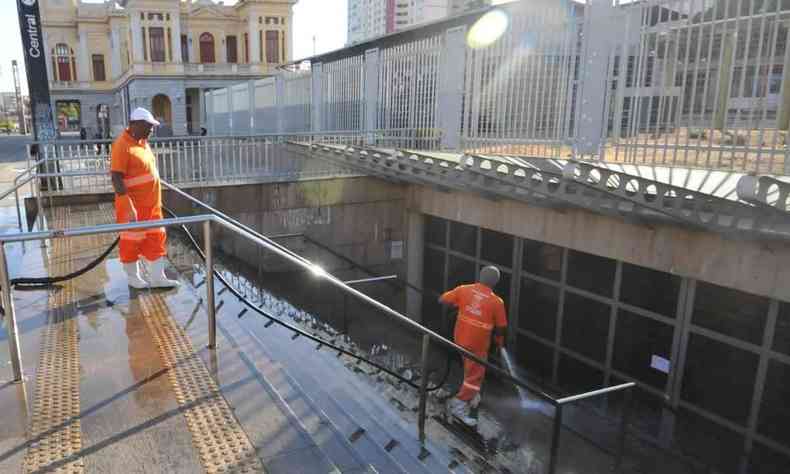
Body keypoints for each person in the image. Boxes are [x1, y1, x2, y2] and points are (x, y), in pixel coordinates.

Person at [110, 107, 179, 289]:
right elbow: (116, 177)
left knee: (156, 239)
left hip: (152, 207)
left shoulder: (143, 143)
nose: (151, 130)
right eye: (148, 126)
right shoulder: (122, 145)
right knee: (131, 243)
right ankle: (133, 278)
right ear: (135, 124)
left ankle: (158, 278)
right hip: (133, 208)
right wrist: (128, 206)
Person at [439, 265, 507, 427]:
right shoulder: (497, 302)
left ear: (480, 276)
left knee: (471, 370)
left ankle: (473, 395)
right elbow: (501, 327)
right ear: (495, 282)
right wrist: (499, 342)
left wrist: (460, 306)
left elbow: (442, 299)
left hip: (460, 339)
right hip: (477, 346)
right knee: (474, 377)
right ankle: (459, 406)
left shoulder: (464, 290)